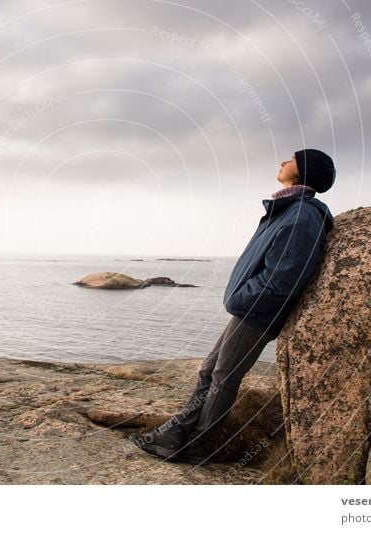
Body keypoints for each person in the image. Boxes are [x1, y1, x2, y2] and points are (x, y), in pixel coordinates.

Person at [129, 148, 336, 465]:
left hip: (259, 313)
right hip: (249, 309)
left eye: (291, 159)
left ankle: (197, 446)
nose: (282, 161)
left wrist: (240, 298)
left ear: (305, 169)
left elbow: (282, 279)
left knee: (223, 378)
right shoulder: (286, 210)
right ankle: (175, 436)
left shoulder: (301, 217)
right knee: (209, 372)